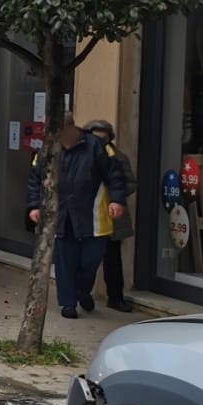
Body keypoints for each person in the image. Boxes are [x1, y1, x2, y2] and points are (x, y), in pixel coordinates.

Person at [27, 114, 127, 319]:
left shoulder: (96, 146)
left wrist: (117, 200)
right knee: (65, 260)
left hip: (93, 215)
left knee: (91, 259)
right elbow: (35, 179)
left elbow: (115, 175)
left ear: (70, 128)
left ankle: (82, 290)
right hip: (62, 214)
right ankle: (68, 303)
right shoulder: (48, 148)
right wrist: (34, 206)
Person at [84, 120, 137, 312]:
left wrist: (114, 194)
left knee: (112, 259)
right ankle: (82, 294)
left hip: (112, 215)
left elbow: (130, 183)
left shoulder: (118, 157)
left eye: (103, 138)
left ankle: (116, 297)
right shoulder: (80, 155)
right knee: (86, 259)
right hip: (86, 215)